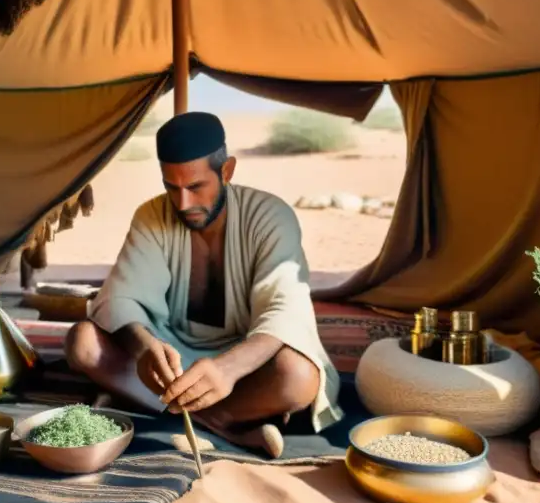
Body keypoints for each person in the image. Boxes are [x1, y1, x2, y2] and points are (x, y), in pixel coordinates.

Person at [65, 111, 341, 458]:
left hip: (245, 363)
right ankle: (229, 424)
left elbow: (285, 310)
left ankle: (165, 406)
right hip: (173, 358)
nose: (183, 204)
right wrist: (145, 348)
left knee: (298, 376)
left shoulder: (271, 215)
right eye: (171, 187)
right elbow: (121, 297)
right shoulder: (152, 215)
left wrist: (227, 369)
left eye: (196, 187)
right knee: (83, 342)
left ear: (227, 171)